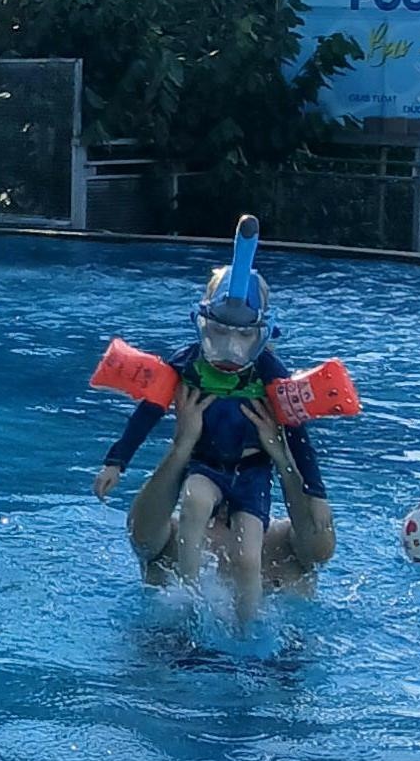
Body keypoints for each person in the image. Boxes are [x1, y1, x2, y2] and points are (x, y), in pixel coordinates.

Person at [94, 219, 336, 619]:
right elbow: (139, 535)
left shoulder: (284, 547)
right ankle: (194, 605)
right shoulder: (166, 540)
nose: (230, 350)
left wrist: (286, 462)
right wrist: (179, 447)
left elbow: (318, 537)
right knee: (193, 505)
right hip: (177, 664)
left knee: (250, 560)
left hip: (270, 671)